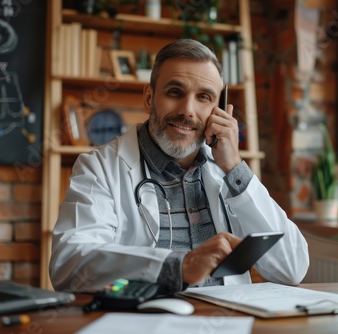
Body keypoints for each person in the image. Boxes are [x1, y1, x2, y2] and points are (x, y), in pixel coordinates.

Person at [49, 39, 309, 294]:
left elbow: (292, 267)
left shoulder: (229, 172)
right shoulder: (100, 167)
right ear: (149, 98)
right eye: (175, 92)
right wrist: (179, 266)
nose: (188, 110)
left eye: (204, 97)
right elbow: (69, 265)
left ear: (219, 110)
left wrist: (234, 167)